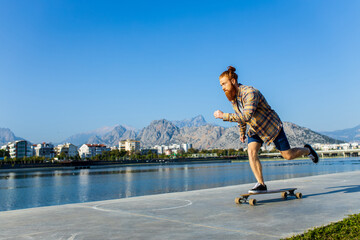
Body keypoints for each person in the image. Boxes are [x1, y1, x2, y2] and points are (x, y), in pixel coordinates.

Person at [214, 66, 319, 193]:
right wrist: (242, 133)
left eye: (224, 83)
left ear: (233, 81)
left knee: (288, 155)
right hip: (254, 129)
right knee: (251, 152)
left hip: (270, 127)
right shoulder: (234, 99)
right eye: (221, 85)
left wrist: (223, 116)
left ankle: (307, 150)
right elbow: (241, 117)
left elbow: (246, 115)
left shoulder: (250, 93)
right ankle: (261, 184)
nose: (222, 87)